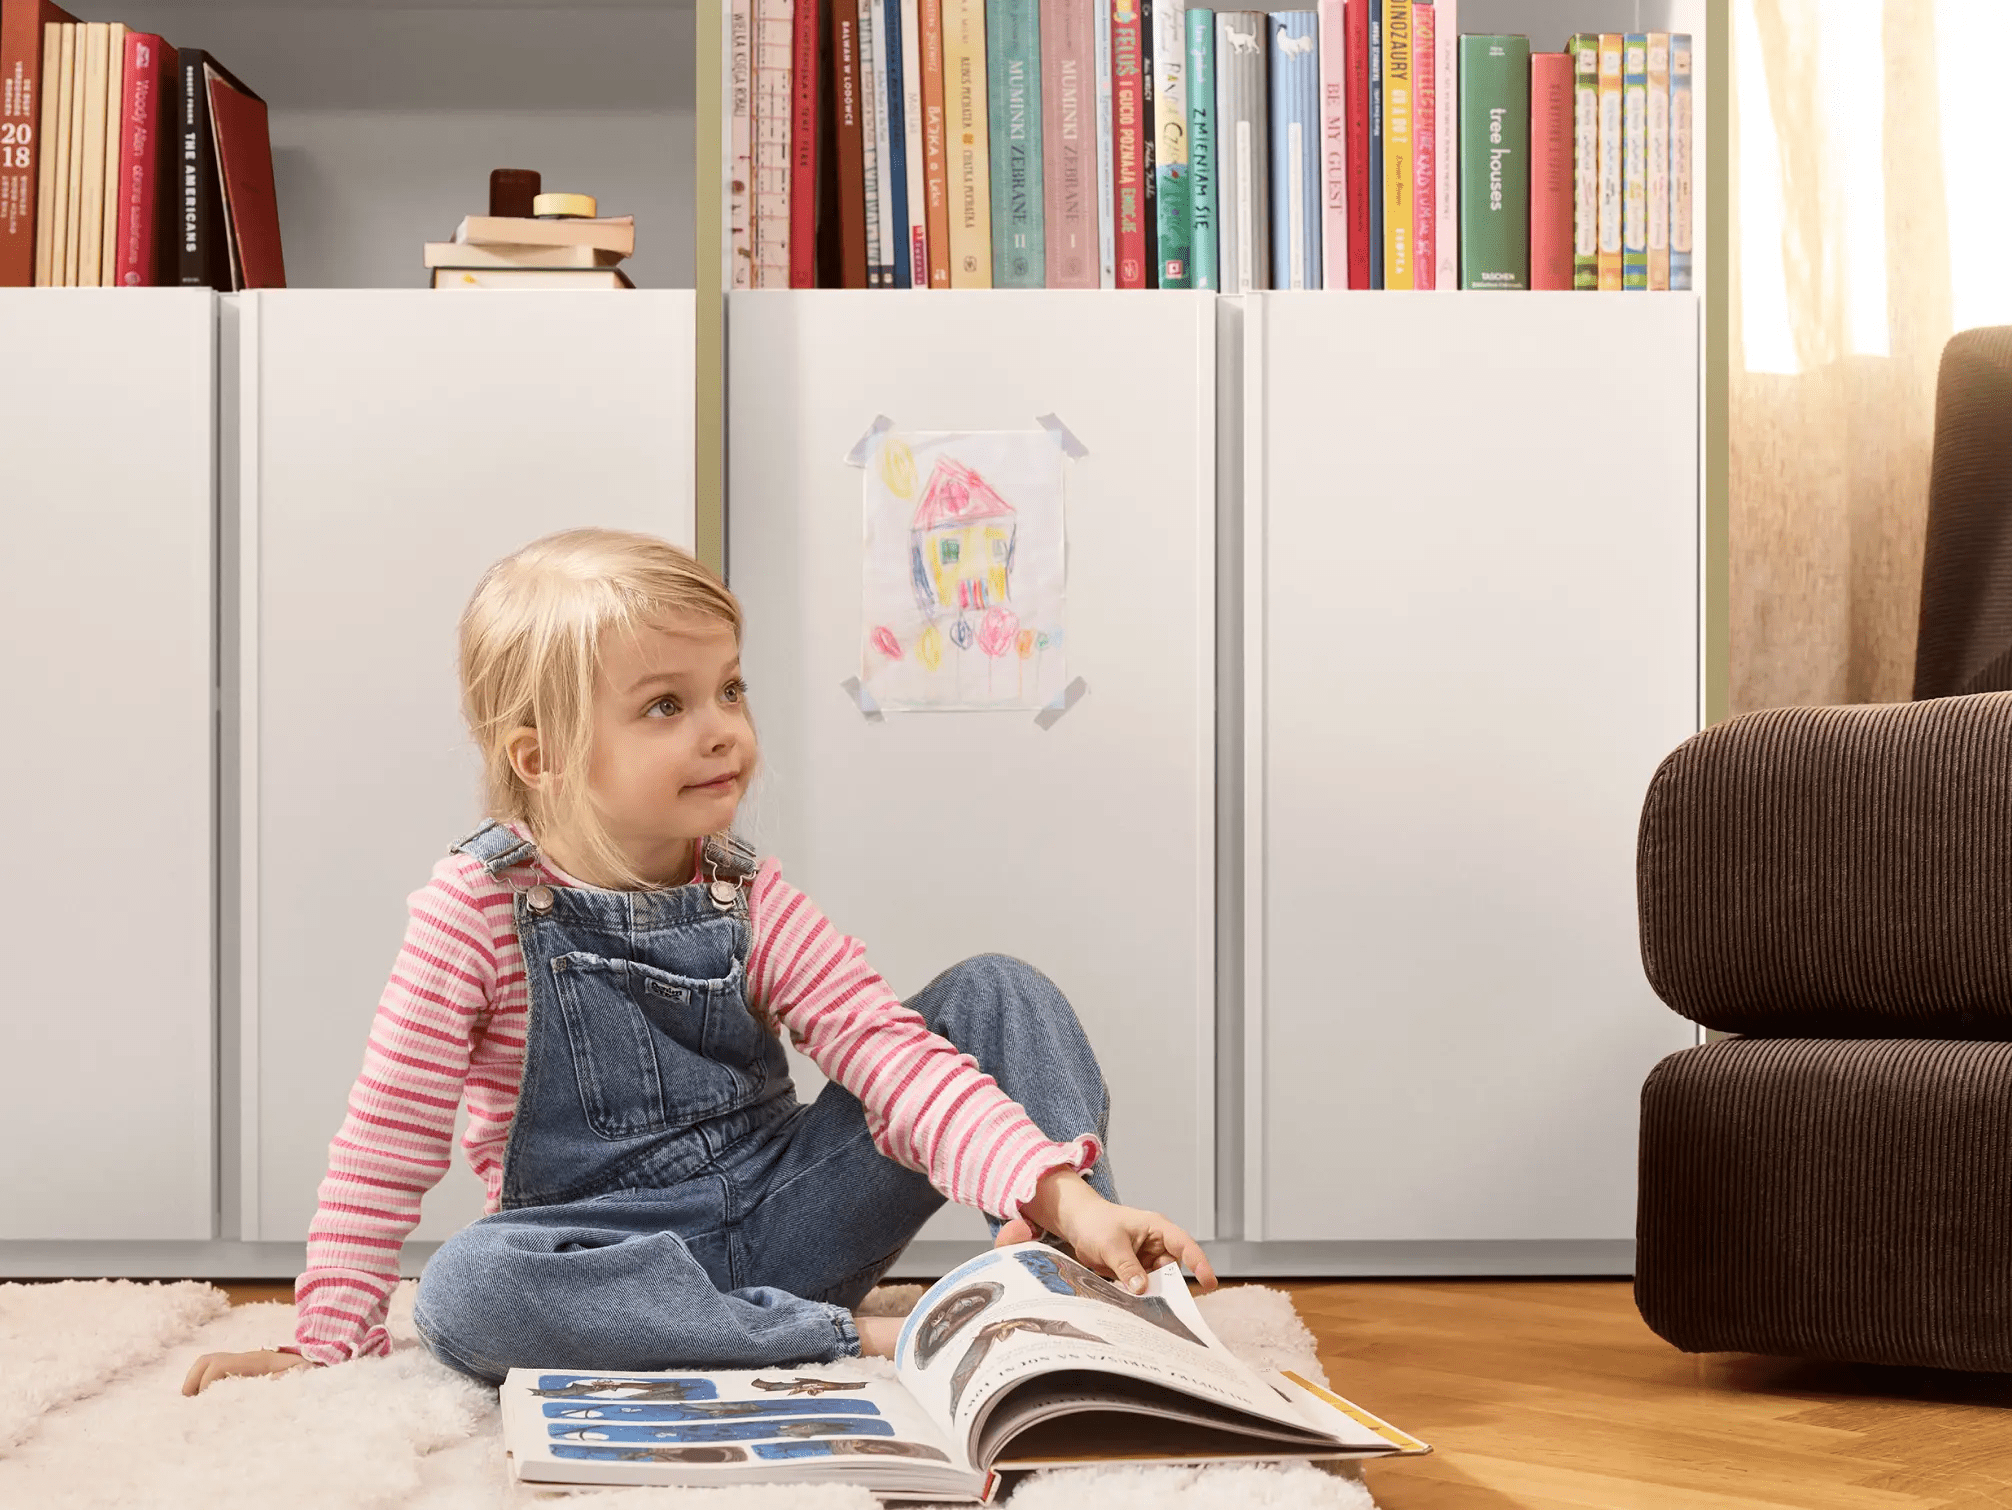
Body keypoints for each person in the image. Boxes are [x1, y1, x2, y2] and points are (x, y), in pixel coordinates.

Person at [183, 527, 1213, 1395]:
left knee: (995, 990)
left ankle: (1078, 1272)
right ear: (537, 757)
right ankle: (833, 1340)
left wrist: (1059, 1193)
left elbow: (888, 1057)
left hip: (790, 1216)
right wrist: (325, 1347)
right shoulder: (473, 910)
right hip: (603, 1261)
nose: (723, 729)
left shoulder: (746, 892)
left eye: (728, 688)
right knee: (464, 1290)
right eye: (666, 706)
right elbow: (386, 1140)